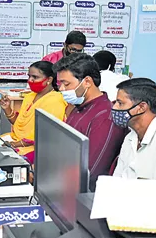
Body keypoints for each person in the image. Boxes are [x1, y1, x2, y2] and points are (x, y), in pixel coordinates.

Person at [54, 53, 125, 190]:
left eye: (66, 83)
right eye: (60, 84)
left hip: (82, 193)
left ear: (87, 82)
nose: (61, 89)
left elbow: (92, 171)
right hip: (63, 182)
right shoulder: (79, 108)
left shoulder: (105, 116)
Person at [0, 61, 67, 158]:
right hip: (15, 139)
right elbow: (19, 124)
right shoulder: (30, 96)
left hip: (35, 148)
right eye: (29, 76)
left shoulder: (55, 100)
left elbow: (46, 135)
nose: (30, 80)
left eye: (35, 77)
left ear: (49, 79)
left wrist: (15, 144)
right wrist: (7, 108)